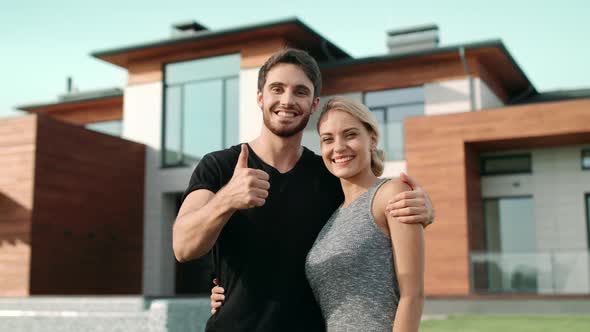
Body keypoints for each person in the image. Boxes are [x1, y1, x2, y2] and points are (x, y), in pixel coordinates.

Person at [173, 48, 433, 332]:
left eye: (300, 91)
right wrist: (228, 199)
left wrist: (424, 209)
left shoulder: (330, 176)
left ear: (313, 104)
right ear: (260, 98)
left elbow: (374, 212)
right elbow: (183, 247)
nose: (287, 100)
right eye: (277, 89)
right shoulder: (219, 166)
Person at [305, 96, 424, 331]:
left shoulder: (390, 193)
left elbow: (413, 295)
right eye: (328, 139)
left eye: (350, 135)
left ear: (372, 139)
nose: (338, 147)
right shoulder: (332, 215)